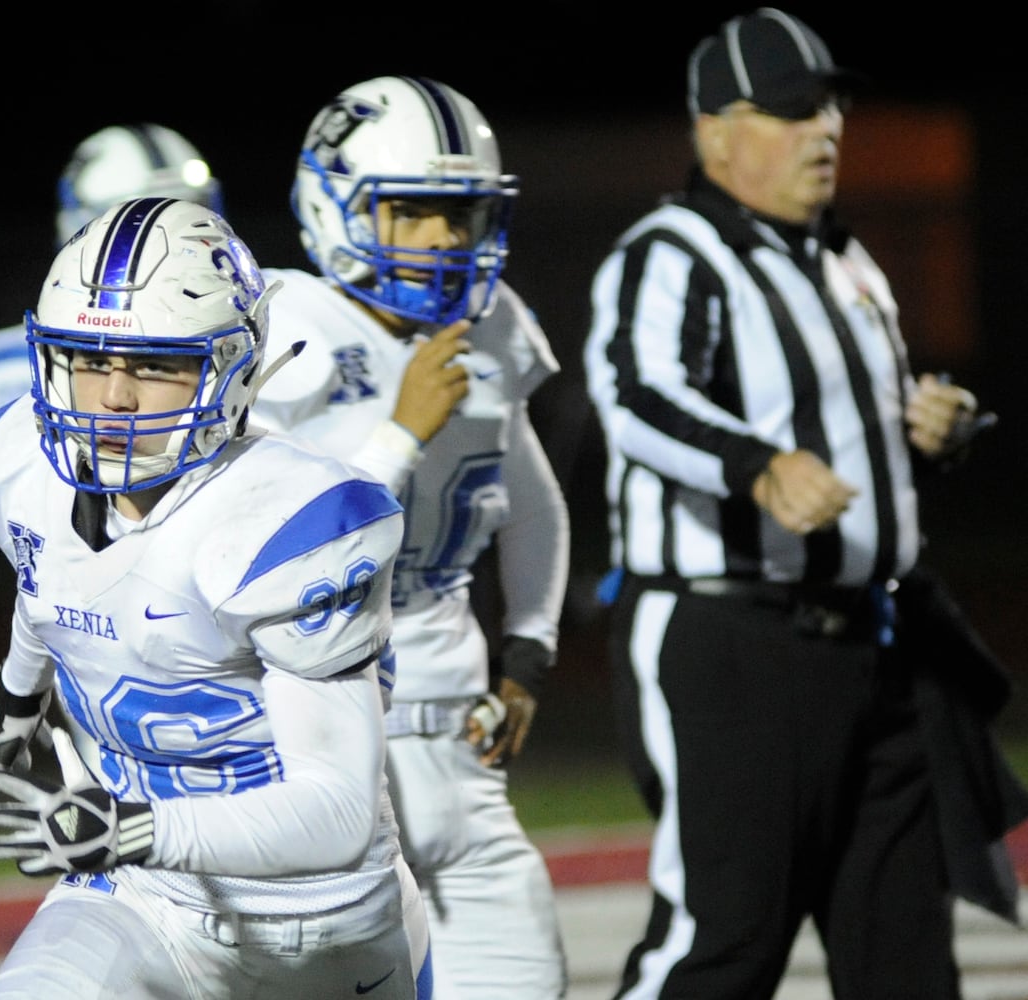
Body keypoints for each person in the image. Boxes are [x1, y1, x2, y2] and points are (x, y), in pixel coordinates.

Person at [583, 8, 1028, 999]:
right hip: (733, 640)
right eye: (791, 110)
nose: (823, 128)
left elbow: (850, 433)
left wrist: (930, 433)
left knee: (904, 951)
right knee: (723, 937)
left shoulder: (845, 260)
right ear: (714, 128)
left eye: (829, 105)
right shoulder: (674, 252)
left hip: (873, 647)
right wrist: (753, 463)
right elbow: (635, 394)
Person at [0, 196, 433, 999]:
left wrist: (131, 827)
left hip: (317, 923)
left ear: (232, 370)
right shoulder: (22, 466)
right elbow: (44, 578)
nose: (111, 397)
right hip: (144, 895)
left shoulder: (282, 519)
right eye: (87, 358)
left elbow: (335, 812)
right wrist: (14, 704)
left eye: (152, 365)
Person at [249, 75, 570, 999]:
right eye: (411, 213)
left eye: (459, 216)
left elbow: (534, 500)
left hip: (460, 758)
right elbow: (270, 555)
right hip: (319, 755)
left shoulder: (494, 322)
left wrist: (529, 652)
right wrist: (400, 433)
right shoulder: (287, 327)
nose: (441, 240)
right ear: (333, 203)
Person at [0, 122, 222, 420]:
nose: (171, 237)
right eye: (137, 223)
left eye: (189, 209)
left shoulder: (261, 321)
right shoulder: (7, 363)